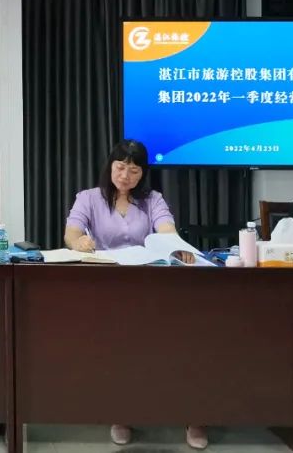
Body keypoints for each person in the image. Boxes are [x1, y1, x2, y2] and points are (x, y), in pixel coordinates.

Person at [63, 139, 207, 450]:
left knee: (184, 341)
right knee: (119, 349)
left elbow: (167, 230)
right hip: (108, 288)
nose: (125, 176)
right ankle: (122, 414)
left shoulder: (153, 200)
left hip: (150, 285)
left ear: (142, 173)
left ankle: (192, 414)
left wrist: (177, 247)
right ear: (110, 166)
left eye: (133, 170)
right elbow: (71, 232)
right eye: (120, 168)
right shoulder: (89, 198)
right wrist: (78, 242)